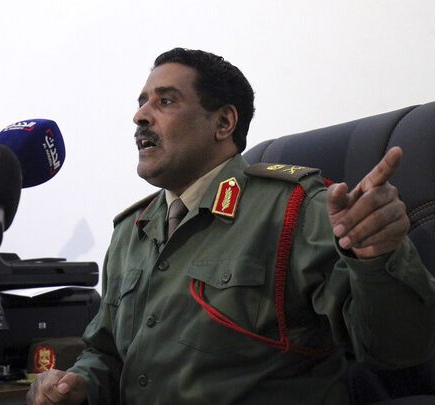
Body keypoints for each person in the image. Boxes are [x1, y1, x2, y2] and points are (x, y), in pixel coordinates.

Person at [26, 48, 435, 404]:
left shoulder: (295, 208)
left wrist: (377, 258)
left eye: (165, 101)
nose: (140, 116)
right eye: (142, 102)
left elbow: (398, 349)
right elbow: (106, 353)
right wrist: (78, 383)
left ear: (223, 123)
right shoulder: (131, 231)